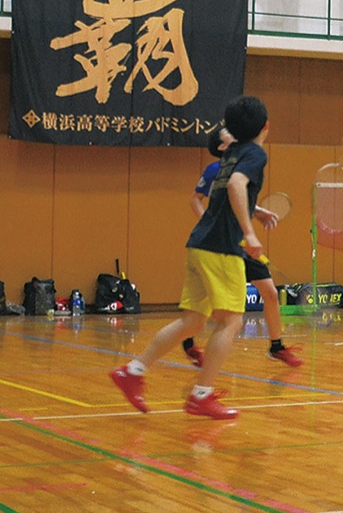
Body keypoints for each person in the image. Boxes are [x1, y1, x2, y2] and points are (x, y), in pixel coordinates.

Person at [109, 95, 271, 420]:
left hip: (199, 244)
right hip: (221, 248)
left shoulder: (233, 153)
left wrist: (258, 210)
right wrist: (250, 233)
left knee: (193, 321)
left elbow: (227, 191)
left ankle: (133, 370)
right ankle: (201, 395)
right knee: (231, 320)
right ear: (266, 127)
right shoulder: (253, 153)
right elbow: (238, 186)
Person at [185, 126, 302, 367]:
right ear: (221, 146)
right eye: (229, 133)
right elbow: (197, 199)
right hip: (219, 247)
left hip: (241, 247)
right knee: (209, 307)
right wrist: (209, 224)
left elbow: (238, 200)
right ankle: (189, 344)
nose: (236, 134)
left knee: (270, 292)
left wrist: (258, 211)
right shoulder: (216, 170)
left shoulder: (241, 165)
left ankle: (276, 346)